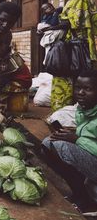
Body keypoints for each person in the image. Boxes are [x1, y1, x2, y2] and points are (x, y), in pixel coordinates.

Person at [42, 70, 97, 213]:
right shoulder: (83, 110)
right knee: (48, 143)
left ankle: (87, 200)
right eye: (78, 87)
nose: (80, 92)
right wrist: (75, 132)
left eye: (88, 89)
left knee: (61, 146)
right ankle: (80, 193)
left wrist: (78, 139)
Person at [48, 0, 97, 111]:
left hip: (80, 45)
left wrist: (51, 28)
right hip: (74, 43)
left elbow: (71, 23)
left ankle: (80, 108)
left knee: (78, 76)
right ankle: (72, 108)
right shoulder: (71, 1)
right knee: (73, 76)